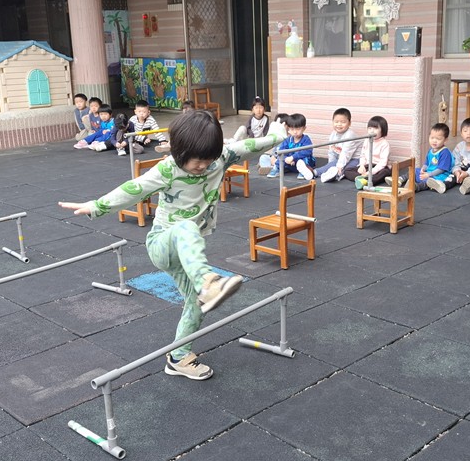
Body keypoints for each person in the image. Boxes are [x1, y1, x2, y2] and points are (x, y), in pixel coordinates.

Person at [58, 112, 287, 380]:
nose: (202, 165)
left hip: (186, 255)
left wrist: (277, 134)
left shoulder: (219, 159)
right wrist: (97, 206)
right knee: (186, 227)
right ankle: (207, 282)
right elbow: (135, 188)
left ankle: (178, 357)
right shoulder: (168, 169)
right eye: (196, 160)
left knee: (196, 304)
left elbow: (250, 145)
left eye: (207, 159)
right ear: (179, 152)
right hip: (163, 244)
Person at [389, 123, 453, 193]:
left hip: (438, 176)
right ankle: (400, 179)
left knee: (429, 181)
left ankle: (415, 186)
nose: (434, 141)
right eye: (432, 138)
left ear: (445, 140)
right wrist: (423, 168)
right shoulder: (430, 151)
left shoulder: (445, 152)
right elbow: (427, 163)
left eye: (438, 139)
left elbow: (441, 169)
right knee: (416, 170)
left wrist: (428, 174)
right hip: (429, 172)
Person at [313, 108, 362, 183]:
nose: (339, 124)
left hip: (355, 159)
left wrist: (339, 166)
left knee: (347, 169)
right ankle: (316, 172)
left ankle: (331, 175)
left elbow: (346, 153)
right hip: (343, 158)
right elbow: (331, 151)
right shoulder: (333, 134)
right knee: (333, 164)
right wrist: (330, 165)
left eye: (343, 122)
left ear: (349, 123)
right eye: (336, 122)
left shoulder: (350, 135)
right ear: (332, 122)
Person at [343, 115, 390, 190]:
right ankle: (361, 179)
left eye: (375, 128)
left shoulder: (384, 144)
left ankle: (366, 180)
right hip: (368, 166)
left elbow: (382, 163)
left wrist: (370, 172)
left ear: (383, 130)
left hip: (379, 167)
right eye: (370, 128)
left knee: (385, 172)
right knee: (347, 170)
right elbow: (363, 155)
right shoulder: (366, 140)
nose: (372, 131)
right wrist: (362, 166)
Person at [268, 114, 315, 179]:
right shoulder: (288, 140)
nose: (295, 132)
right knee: (280, 158)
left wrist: (293, 157)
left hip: (301, 161)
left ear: (304, 128)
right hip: (290, 162)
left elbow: (307, 151)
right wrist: (286, 159)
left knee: (305, 159)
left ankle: (303, 171)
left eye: (298, 129)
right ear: (289, 129)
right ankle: (277, 168)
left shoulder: (306, 139)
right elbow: (282, 151)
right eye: (292, 129)